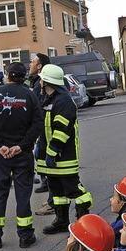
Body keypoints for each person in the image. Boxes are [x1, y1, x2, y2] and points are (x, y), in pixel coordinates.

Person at [0, 62, 44, 249]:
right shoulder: (30, 96)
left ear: (8, 75)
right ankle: (25, 236)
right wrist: (21, 146)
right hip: (23, 155)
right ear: (24, 76)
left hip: (0, 156)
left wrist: (0, 146)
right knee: (23, 194)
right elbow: (37, 124)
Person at [35, 64, 93, 234]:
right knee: (57, 191)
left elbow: (62, 130)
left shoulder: (64, 101)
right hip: (49, 157)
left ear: (46, 81)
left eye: (41, 79)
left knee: (74, 189)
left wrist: (52, 152)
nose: (39, 82)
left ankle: (84, 222)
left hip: (63, 156)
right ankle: (61, 221)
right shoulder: (47, 99)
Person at [29, 54, 55, 217]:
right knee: (42, 161)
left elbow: (36, 104)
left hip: (49, 135)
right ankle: (51, 192)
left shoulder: (43, 84)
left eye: (32, 61)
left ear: (39, 66)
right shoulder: (36, 82)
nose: (29, 64)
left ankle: (54, 202)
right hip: (43, 134)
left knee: (53, 169)